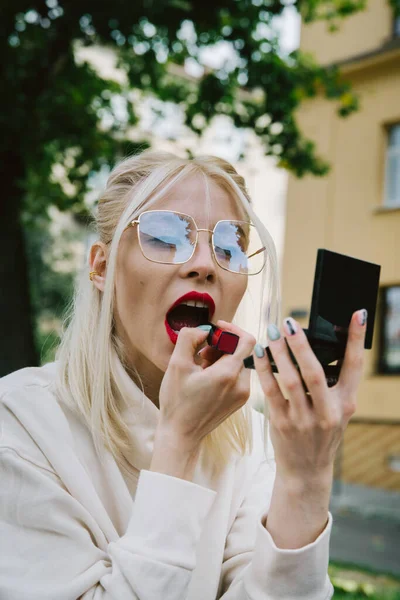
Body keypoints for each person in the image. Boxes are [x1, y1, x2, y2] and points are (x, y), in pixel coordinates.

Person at [0, 150, 367, 600]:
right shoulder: (19, 424)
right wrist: (179, 440)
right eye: (164, 235)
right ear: (100, 267)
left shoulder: (251, 441)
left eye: (229, 243)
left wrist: (306, 477)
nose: (205, 265)